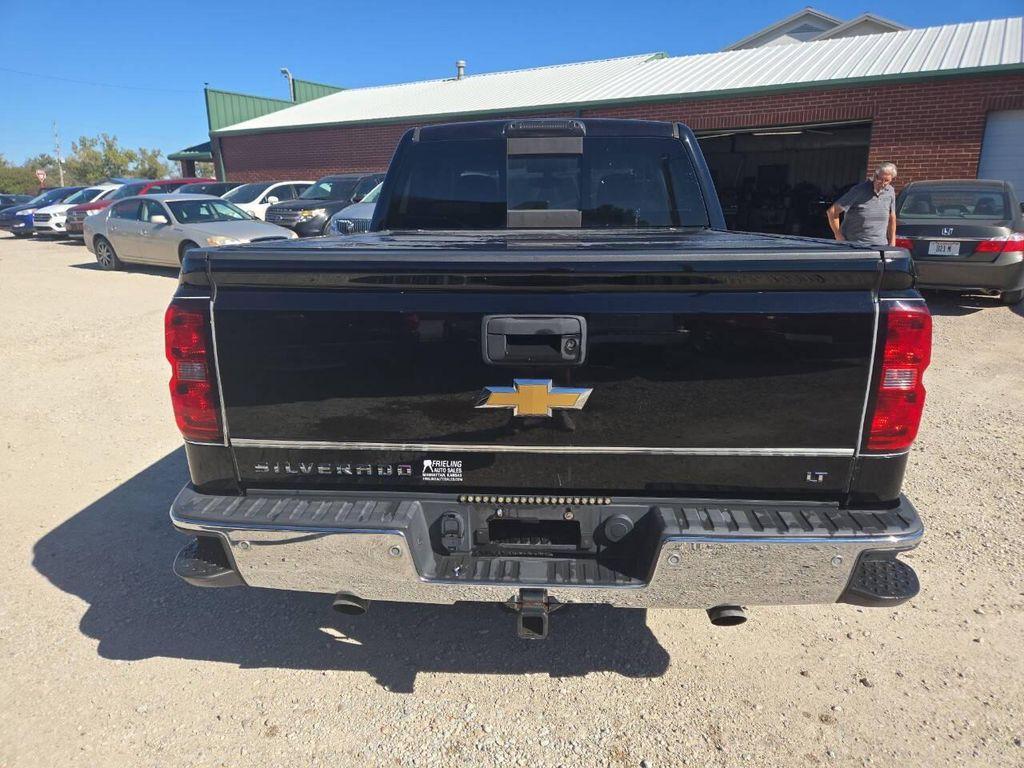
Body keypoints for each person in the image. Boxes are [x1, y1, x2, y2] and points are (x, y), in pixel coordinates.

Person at [826, 162, 898, 247]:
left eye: (886, 181)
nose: (882, 183)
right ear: (875, 176)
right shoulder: (859, 190)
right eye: (880, 179)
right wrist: (838, 236)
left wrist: (892, 241)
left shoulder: (890, 191)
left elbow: (892, 217)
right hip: (855, 245)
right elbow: (832, 211)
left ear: (891, 179)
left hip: (880, 245)